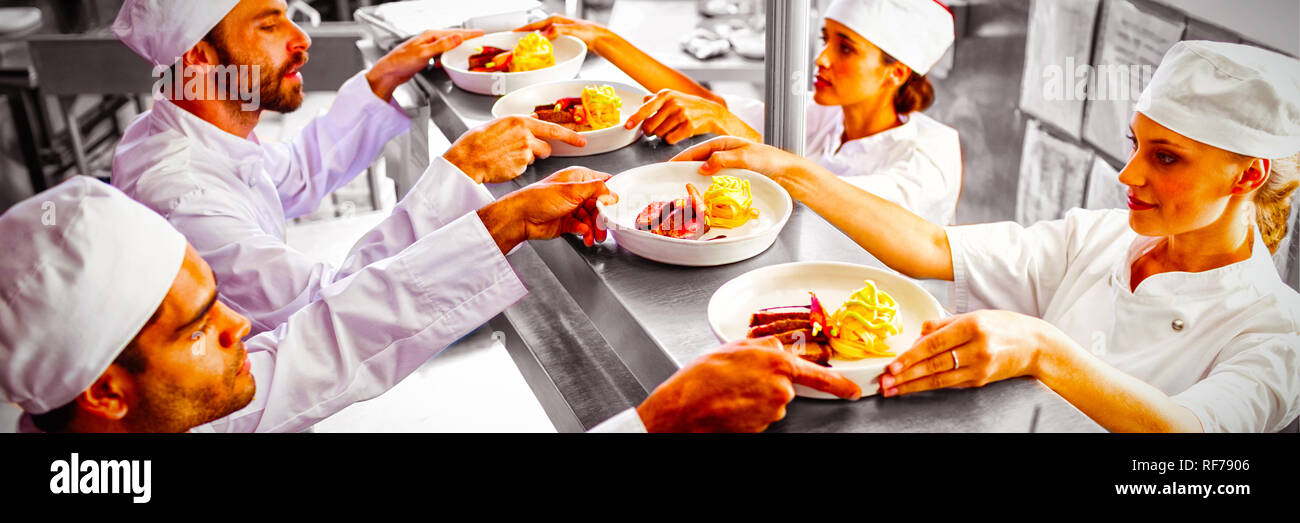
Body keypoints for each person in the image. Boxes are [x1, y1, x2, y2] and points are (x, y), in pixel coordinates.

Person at [671, 41, 1300, 433]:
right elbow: (933, 248)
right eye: (1135, 145)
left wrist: (1041, 348)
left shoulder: (1278, 332)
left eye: (1166, 158)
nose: (1127, 173)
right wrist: (791, 170)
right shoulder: (1101, 238)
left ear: (1248, 175)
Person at [0, 177, 860, 433]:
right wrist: (655, 424)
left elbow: (313, 347)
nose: (240, 328)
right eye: (200, 327)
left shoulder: (140, 424)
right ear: (106, 391)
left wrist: (497, 224)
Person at [112, 0, 587, 336]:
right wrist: (459, 172)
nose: (301, 41)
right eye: (268, 26)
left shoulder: (186, 135)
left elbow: (294, 174)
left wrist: (384, 77)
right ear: (198, 56)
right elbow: (330, 310)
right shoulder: (183, 200)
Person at [519, 0, 963, 225]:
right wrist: (604, 40)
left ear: (896, 72)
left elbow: (849, 205)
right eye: (826, 38)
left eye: (845, 48)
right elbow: (712, 107)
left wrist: (736, 130)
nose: (822, 59)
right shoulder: (825, 118)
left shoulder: (931, 155)